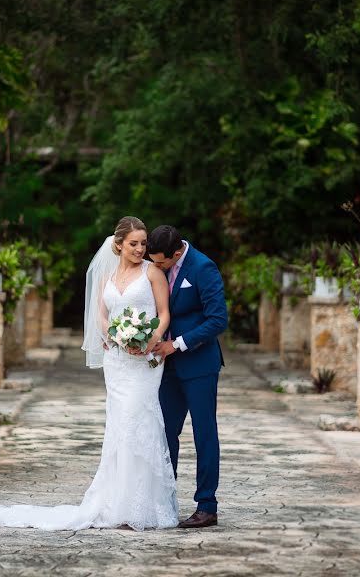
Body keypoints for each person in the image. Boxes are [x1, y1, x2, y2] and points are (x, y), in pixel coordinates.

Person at [0, 216, 179, 531]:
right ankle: (116, 503)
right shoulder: (106, 275)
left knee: (142, 420)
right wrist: (115, 337)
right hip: (118, 361)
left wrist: (149, 340)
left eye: (143, 244)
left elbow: (164, 315)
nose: (140, 249)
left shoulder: (153, 274)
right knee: (119, 425)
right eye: (133, 244)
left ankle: (145, 506)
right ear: (119, 244)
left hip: (144, 362)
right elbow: (100, 314)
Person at [149, 225, 228, 529]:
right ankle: (164, 501)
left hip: (199, 364)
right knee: (164, 432)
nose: (156, 267)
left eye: (161, 263)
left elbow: (218, 319)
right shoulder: (157, 264)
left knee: (204, 433)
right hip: (167, 367)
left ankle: (207, 506)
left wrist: (177, 344)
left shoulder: (203, 267)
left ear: (177, 252)